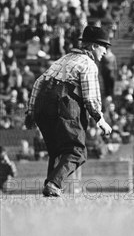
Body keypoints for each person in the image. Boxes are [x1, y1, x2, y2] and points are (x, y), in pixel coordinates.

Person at [24, 26, 113, 197]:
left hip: (42, 103)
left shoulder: (63, 59)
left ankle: (50, 187)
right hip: (62, 102)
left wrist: (31, 111)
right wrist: (100, 119)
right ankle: (53, 183)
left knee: (57, 151)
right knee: (76, 151)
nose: (105, 51)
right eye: (104, 47)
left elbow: (38, 82)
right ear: (94, 46)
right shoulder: (88, 64)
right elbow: (90, 97)